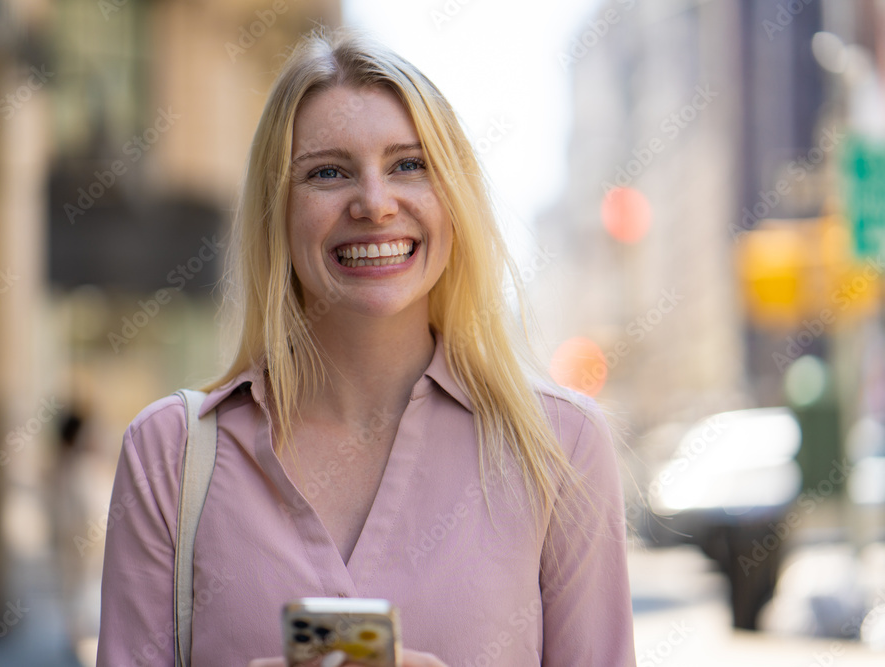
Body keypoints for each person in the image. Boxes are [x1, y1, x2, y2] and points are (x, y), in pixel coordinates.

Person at [97, 29, 636, 667]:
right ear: (278, 211)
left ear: (453, 200)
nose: (376, 205)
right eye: (328, 172)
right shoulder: (171, 454)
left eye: (409, 165)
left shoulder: (561, 446)